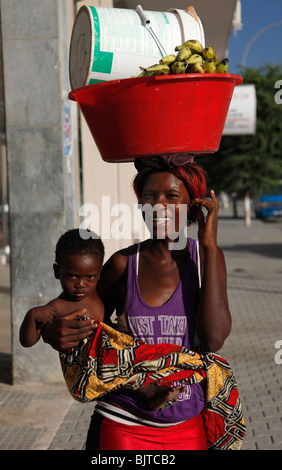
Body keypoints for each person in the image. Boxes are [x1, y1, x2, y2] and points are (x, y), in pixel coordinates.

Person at [42, 154, 232, 450]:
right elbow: (84, 322)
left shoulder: (207, 258)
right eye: (149, 196)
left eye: (171, 196)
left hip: (186, 424)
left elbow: (214, 338)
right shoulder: (123, 265)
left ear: (192, 205)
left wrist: (208, 246)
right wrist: (54, 331)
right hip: (122, 422)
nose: (158, 206)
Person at [19, 229, 104, 348]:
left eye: (90, 277)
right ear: (57, 271)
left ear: (99, 274)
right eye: (73, 276)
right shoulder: (57, 307)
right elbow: (27, 342)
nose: (81, 284)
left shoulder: (100, 293)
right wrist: (31, 316)